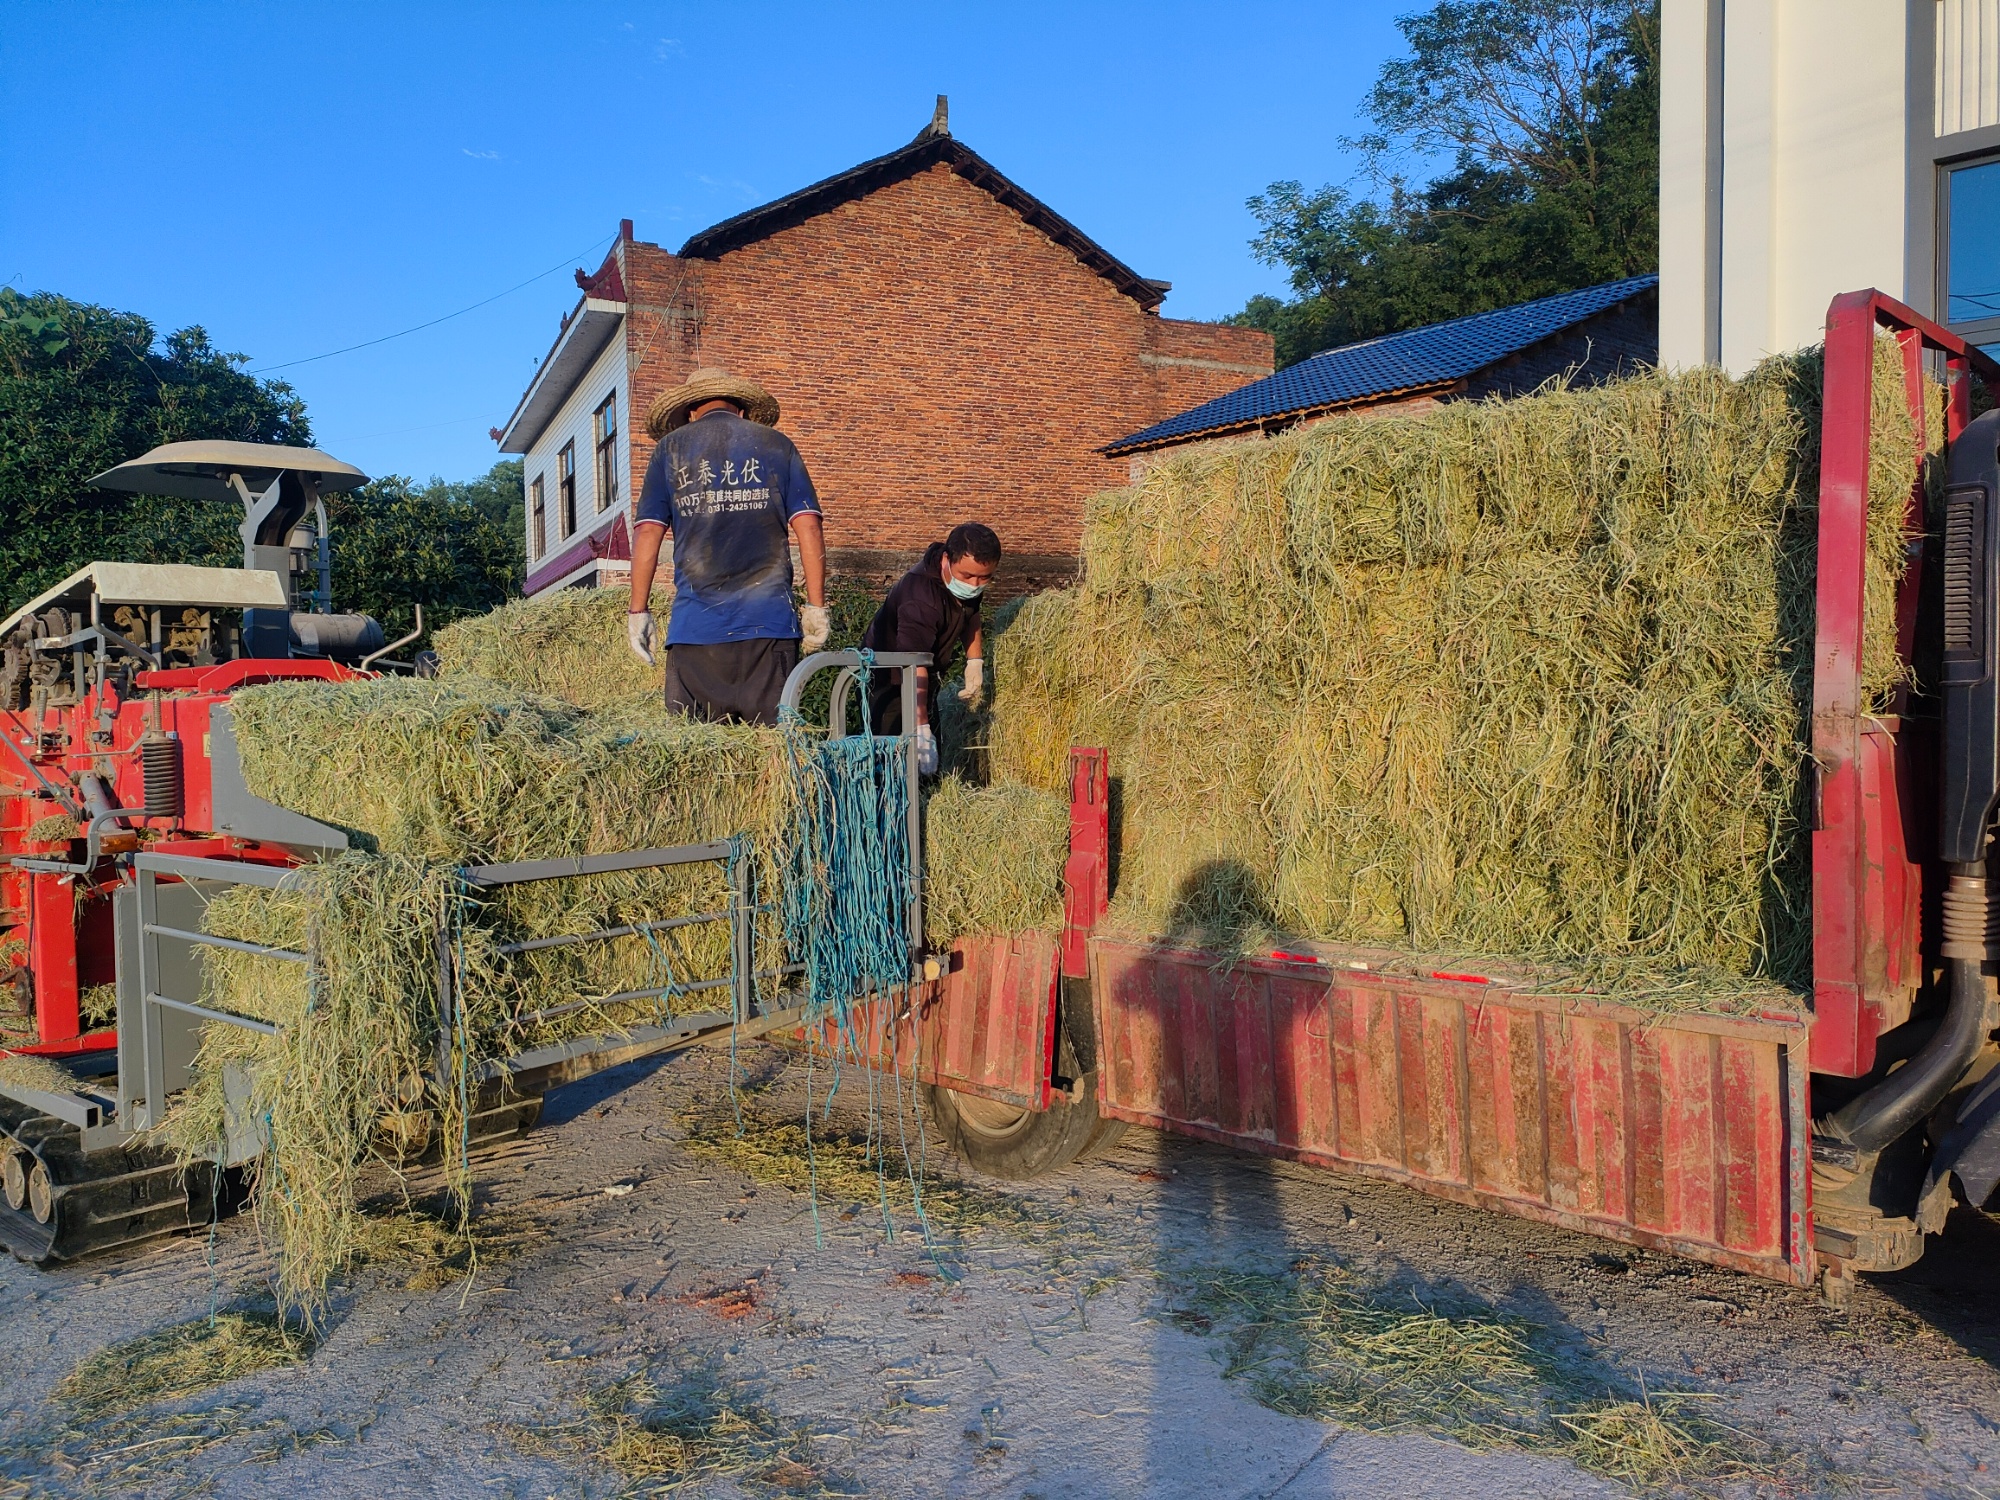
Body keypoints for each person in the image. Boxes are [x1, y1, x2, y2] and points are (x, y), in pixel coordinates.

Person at [626, 367, 830, 725]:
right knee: (774, 758)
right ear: (741, 409)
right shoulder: (776, 445)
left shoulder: (669, 450)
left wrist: (638, 611)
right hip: (769, 630)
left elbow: (647, 534)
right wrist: (816, 605)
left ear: (690, 411)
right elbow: (808, 525)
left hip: (695, 634)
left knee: (700, 763)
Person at [861, 523, 1000, 774]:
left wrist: (974, 661)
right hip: (892, 677)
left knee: (931, 763)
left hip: (924, 672)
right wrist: (920, 729)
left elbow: (972, 612)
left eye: (984, 578)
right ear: (946, 560)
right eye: (967, 576)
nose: (975, 584)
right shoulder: (921, 598)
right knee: (898, 759)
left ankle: (925, 794)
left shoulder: (967, 580)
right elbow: (912, 665)